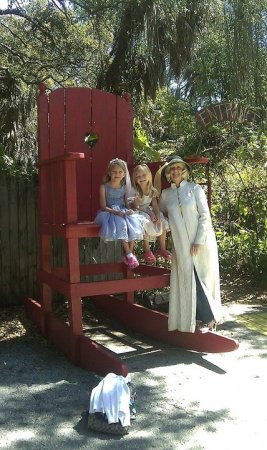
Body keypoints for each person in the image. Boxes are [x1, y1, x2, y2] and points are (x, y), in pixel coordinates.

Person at [157, 156, 222, 332]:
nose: (176, 171)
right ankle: (198, 320)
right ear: (169, 173)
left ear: (183, 170)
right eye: (172, 169)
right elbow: (161, 214)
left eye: (178, 168)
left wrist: (199, 240)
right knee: (189, 281)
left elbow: (205, 216)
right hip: (181, 246)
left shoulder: (195, 189)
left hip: (201, 243)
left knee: (202, 280)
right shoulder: (166, 194)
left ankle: (209, 320)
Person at [94, 158, 143, 269]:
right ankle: (129, 254)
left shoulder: (124, 187)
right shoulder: (104, 187)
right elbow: (103, 206)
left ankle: (129, 254)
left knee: (134, 223)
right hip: (110, 212)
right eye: (114, 172)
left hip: (122, 210)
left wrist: (129, 210)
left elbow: (126, 203)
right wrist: (115, 212)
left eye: (120, 172)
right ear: (109, 173)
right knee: (122, 223)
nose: (117, 174)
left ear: (124, 174)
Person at [132, 164, 171, 264]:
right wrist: (149, 213)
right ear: (135, 179)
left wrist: (157, 214)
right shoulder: (135, 190)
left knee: (161, 218)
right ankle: (147, 249)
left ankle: (162, 248)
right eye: (138, 176)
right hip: (138, 211)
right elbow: (136, 206)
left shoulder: (152, 190)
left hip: (148, 210)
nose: (141, 178)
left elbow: (155, 205)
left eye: (144, 175)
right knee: (145, 219)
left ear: (149, 175)